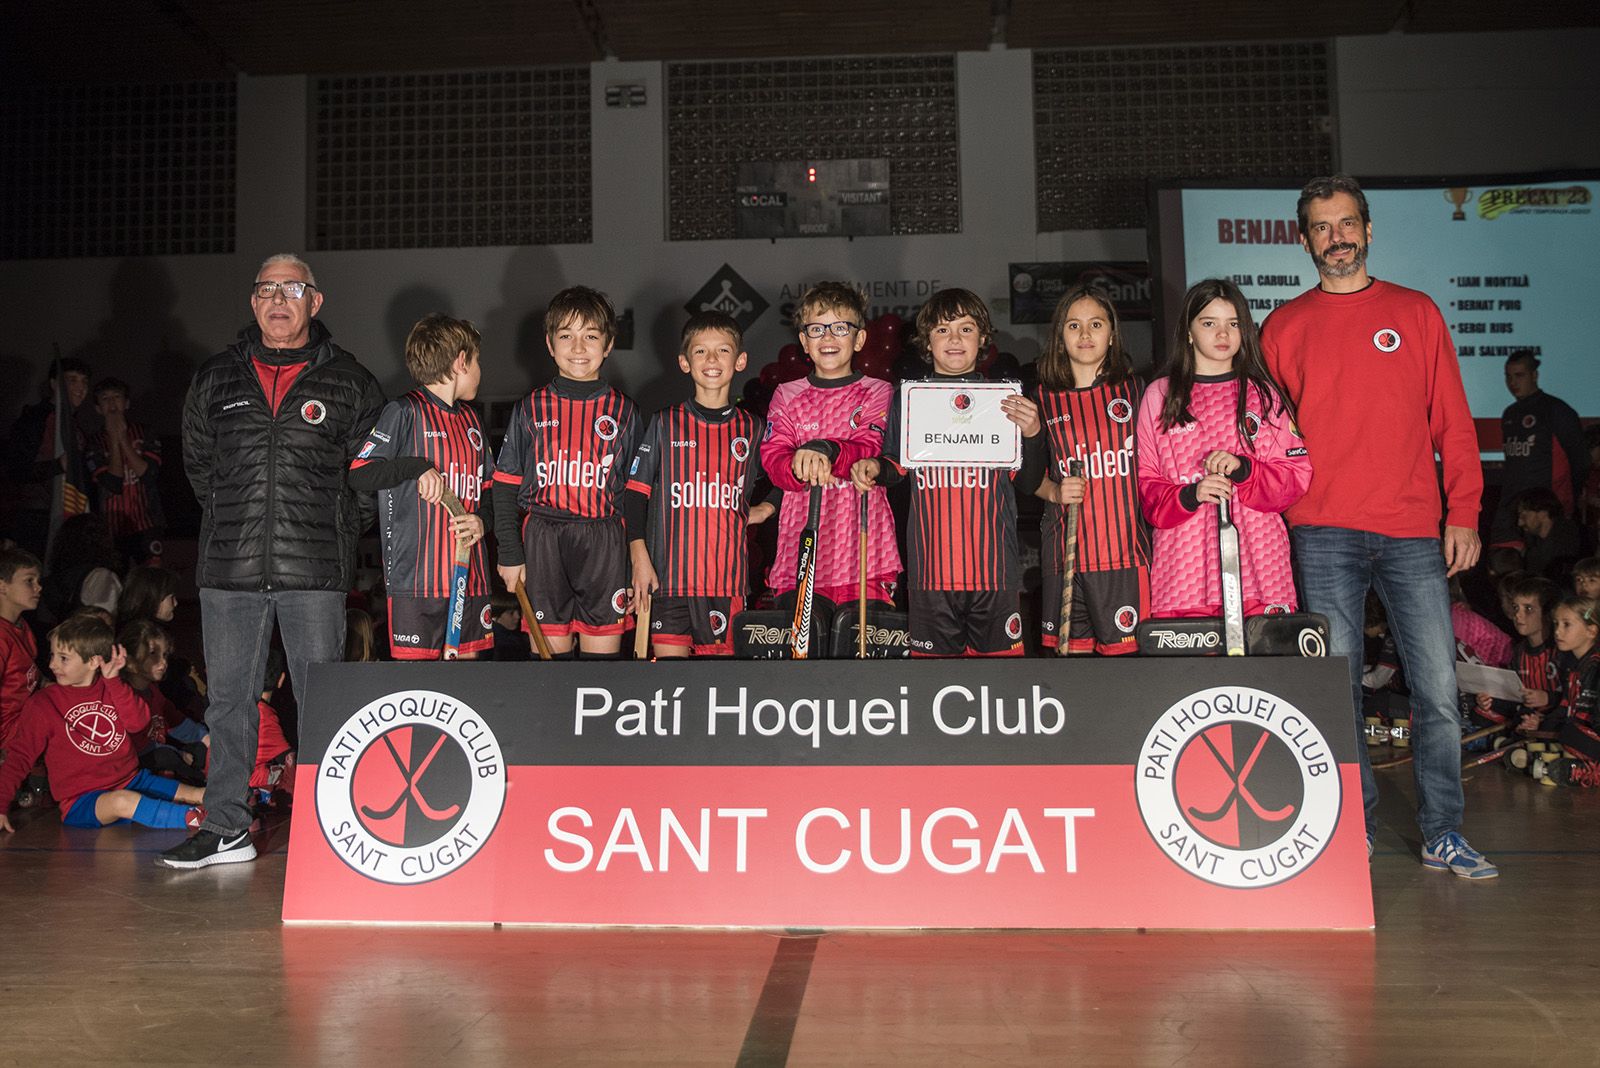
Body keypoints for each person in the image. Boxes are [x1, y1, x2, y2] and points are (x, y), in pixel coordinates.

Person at [1262, 173, 1493, 877]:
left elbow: (1452, 421)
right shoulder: (1282, 328)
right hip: (1321, 530)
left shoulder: (1415, 312)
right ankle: (1350, 828)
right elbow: (1269, 440)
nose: (1336, 237)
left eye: (1346, 223)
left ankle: (1442, 831)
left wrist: (1464, 511)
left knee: (1438, 691)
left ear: (1367, 229)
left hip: (1411, 528)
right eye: (1322, 227)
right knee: (1337, 690)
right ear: (1305, 240)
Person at [162, 253, 383, 869]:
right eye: (266, 289)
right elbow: (200, 469)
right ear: (253, 302)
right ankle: (226, 826)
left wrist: (337, 532)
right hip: (230, 568)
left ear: (316, 300)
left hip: (313, 569)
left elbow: (369, 477)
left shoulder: (351, 381)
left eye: (292, 288)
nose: (278, 300)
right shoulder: (216, 377)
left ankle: (329, 827)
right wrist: (238, 523)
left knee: (321, 702)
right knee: (229, 702)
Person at [849, 289, 1046, 656]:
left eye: (966, 329)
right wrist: (875, 466)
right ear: (927, 341)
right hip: (931, 577)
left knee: (1001, 682)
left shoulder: (1005, 401)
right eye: (942, 330)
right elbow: (895, 466)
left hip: (994, 576)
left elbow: (1030, 482)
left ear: (983, 338)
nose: (954, 339)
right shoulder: (909, 399)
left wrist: (1034, 435)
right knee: (932, 680)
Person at [1137, 278, 1309, 619]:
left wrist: (1245, 470)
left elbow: (1295, 477)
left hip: (1261, 571)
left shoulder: (1263, 394)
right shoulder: (1161, 395)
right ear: (1188, 331)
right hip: (1183, 575)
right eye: (1209, 323)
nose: (1222, 334)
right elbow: (1145, 484)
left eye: (1233, 324)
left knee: (1264, 655)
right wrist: (1190, 494)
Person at [493, 287, 641, 659]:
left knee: (600, 669)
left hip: (605, 542)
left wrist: (637, 563)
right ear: (549, 343)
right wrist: (509, 553)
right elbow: (505, 487)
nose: (578, 347)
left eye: (590, 336)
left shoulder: (625, 412)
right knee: (550, 669)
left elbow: (638, 496)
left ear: (608, 344)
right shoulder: (530, 409)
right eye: (566, 336)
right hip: (544, 540)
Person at [625, 311, 771, 658]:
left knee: (716, 683)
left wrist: (766, 508)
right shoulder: (664, 424)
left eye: (723, 350)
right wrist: (639, 559)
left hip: (726, 584)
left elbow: (784, 474)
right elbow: (634, 496)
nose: (712, 359)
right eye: (701, 351)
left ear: (740, 361)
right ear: (684, 362)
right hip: (668, 581)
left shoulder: (753, 429)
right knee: (669, 680)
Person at [348, 314, 494, 659]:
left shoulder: (473, 420)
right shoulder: (403, 411)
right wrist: (415, 467)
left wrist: (482, 521)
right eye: (477, 361)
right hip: (416, 582)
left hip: (470, 578)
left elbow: (490, 490)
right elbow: (360, 474)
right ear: (461, 361)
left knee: (469, 683)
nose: (480, 370)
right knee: (419, 683)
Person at [760, 282, 900, 634]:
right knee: (805, 654)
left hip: (866, 554)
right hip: (800, 555)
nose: (828, 337)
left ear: (860, 339)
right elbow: (773, 458)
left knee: (860, 654)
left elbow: (870, 446)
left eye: (840, 327)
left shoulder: (878, 391)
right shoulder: (786, 394)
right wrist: (797, 466)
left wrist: (826, 450)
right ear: (804, 341)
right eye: (817, 329)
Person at [0, 616, 204, 834]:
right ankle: (195, 819)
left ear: (93, 662)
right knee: (122, 801)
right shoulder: (43, 704)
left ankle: (223, 808)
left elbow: (138, 724)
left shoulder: (114, 688)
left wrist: (114, 681)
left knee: (193, 793)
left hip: (131, 780)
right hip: (82, 800)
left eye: (63, 658)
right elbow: (20, 756)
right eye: (52, 655)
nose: (51, 665)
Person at [1033, 282, 1149, 654]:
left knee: (1128, 667)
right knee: (1072, 672)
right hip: (1063, 555)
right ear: (1059, 337)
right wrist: (1053, 490)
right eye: (1074, 325)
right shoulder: (1041, 399)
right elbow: (1022, 474)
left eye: (1096, 324)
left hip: (1124, 558)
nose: (1085, 334)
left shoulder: (1138, 392)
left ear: (1112, 334)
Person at [1493, 351, 1587, 546]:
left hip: (1546, 510)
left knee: (1543, 562)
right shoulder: (1510, 413)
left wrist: (1567, 503)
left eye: (1519, 375)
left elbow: (1580, 460)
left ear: (1534, 375)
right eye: (1508, 376)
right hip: (1513, 506)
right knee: (1503, 559)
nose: (1513, 382)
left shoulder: (1556, 410)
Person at [4, 357, 91, 560]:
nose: (80, 388)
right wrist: (58, 465)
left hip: (69, 514)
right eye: (72, 380)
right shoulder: (34, 420)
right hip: (36, 517)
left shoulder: (76, 427)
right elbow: (15, 470)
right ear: (54, 384)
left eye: (84, 381)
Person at [1519, 595, 1600, 788]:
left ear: (1591, 631)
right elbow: (1566, 706)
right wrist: (1540, 723)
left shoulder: (1596, 667)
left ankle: (1590, 771)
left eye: (1566, 625)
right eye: (1556, 624)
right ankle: (1569, 765)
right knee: (1539, 730)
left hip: (1589, 734)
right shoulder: (1571, 665)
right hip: (1580, 733)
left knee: (1569, 733)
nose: (1557, 631)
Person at [85, 377, 165, 566]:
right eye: (105, 399)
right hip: (111, 528)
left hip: (147, 523)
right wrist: (114, 439)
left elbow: (149, 475)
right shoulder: (94, 442)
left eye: (117, 397)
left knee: (152, 576)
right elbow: (113, 484)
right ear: (98, 408)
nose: (112, 403)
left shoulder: (145, 432)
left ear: (126, 403)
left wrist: (123, 439)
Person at [0, 548, 42, 752]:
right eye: (29, 581)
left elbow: (28, 674)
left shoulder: (22, 625)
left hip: (25, 724)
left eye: (38, 581)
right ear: (2, 586)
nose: (38, 587)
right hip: (8, 739)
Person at [1515, 487, 1580, 582]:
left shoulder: (1569, 539)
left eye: (1524, 516)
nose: (1520, 523)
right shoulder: (1532, 541)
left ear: (1543, 513)